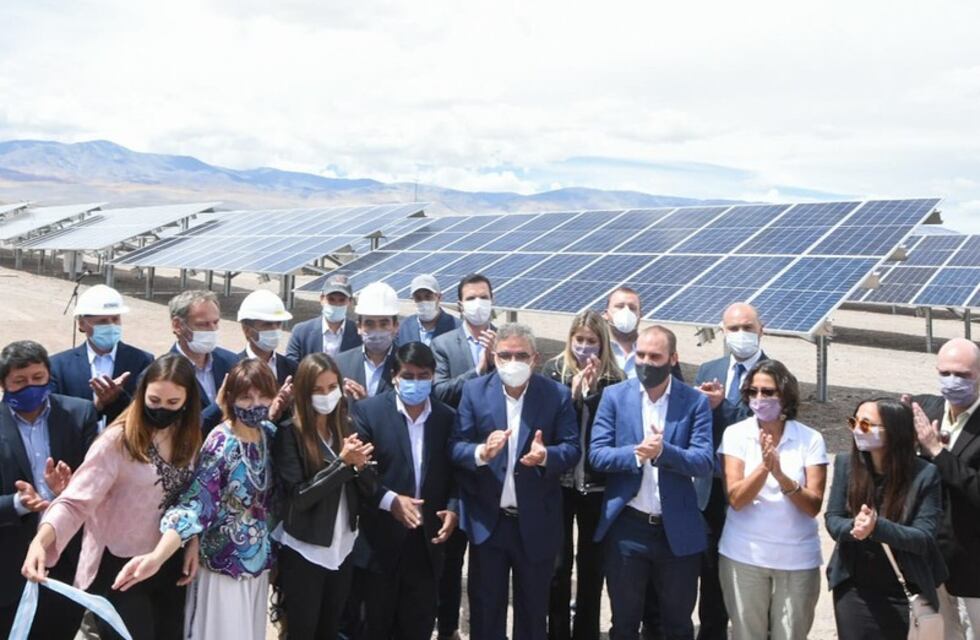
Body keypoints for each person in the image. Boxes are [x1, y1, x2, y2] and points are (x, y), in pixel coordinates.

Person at [20, 353, 200, 640]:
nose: (162, 410)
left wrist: (192, 540)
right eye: (154, 401)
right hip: (119, 566)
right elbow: (75, 501)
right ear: (141, 397)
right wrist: (41, 541)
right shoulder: (117, 441)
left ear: (187, 401)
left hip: (168, 560)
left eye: (172, 403)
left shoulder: (188, 437)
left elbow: (190, 498)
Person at [115, 359, 280, 640]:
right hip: (222, 567)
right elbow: (196, 505)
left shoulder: (268, 435)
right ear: (229, 398)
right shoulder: (221, 443)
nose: (256, 404)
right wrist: (158, 556)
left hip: (257, 567)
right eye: (245, 396)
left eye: (263, 395)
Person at [449, 323, 580, 640]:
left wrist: (546, 455)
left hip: (536, 522)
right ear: (493, 357)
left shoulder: (556, 396)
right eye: (505, 355)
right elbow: (456, 446)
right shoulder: (475, 392)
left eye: (521, 355)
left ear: (535, 358)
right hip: (489, 524)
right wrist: (482, 451)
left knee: (534, 613)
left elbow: (572, 448)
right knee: (485, 610)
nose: (512, 362)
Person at [590, 325, 713, 640]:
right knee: (625, 624)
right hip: (628, 529)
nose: (646, 362)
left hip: (677, 531)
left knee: (677, 625)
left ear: (673, 358)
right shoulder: (615, 397)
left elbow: (703, 461)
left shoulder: (694, 402)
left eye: (655, 356)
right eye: (641, 355)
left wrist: (663, 452)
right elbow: (598, 455)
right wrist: (635, 454)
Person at [352, 342, 459, 640]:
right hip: (380, 544)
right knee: (374, 626)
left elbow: (455, 473)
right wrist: (390, 501)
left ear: (433, 376)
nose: (415, 382)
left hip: (426, 546)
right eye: (408, 375)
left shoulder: (447, 418)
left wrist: (452, 508)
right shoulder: (368, 413)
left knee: (417, 627)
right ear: (394, 375)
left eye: (423, 375)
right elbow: (359, 472)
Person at [717, 359, 828, 640]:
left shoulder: (810, 439)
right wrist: (764, 468)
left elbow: (812, 505)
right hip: (744, 556)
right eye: (753, 392)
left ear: (785, 395)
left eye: (768, 392)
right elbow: (736, 498)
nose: (759, 398)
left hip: (797, 560)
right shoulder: (736, 434)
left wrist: (781, 476)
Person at [271, 352, 377, 640]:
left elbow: (369, 488)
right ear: (304, 393)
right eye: (317, 389)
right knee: (302, 630)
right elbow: (300, 497)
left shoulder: (347, 426)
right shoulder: (289, 434)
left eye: (332, 387)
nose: (326, 395)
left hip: (342, 547)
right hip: (306, 550)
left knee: (330, 629)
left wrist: (362, 467)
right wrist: (343, 465)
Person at [826, 397, 947, 639]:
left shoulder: (924, 474)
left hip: (905, 590)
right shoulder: (845, 464)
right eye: (854, 421)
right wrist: (854, 527)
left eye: (867, 424)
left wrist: (877, 528)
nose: (857, 429)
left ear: (894, 432)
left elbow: (924, 537)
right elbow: (832, 518)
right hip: (854, 587)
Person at [1, 340, 99, 639]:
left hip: (65, 555)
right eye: (20, 381)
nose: (30, 387)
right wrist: (18, 503)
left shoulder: (79, 413)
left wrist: (66, 492)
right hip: (9, 561)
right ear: (4, 383)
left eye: (38, 378)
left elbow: (94, 481)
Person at [541, 310, 625, 640]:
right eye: (580, 340)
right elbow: (547, 424)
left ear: (603, 343)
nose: (585, 347)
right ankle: (557, 632)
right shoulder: (553, 372)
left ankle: (586, 633)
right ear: (570, 340)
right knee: (559, 568)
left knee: (592, 568)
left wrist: (593, 394)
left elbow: (615, 429)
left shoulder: (615, 381)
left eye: (592, 341)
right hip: (559, 486)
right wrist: (571, 395)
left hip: (597, 486)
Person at [692, 302, 768, 640]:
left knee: (753, 582)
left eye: (747, 327)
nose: (741, 334)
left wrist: (724, 407)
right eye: (734, 328)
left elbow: (768, 428)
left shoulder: (775, 374)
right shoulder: (709, 368)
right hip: (710, 494)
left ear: (761, 329)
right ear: (722, 331)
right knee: (710, 584)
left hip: (753, 493)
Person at [431, 272, 497, 640]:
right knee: (451, 557)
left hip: (494, 464)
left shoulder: (508, 342)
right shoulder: (444, 344)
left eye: (483, 296)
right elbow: (439, 393)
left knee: (488, 560)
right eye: (471, 298)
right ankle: (448, 629)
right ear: (459, 304)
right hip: (454, 461)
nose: (478, 303)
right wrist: (479, 369)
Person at [908, 337, 980, 638]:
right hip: (932, 562)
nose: (953, 381)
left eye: (963, 375)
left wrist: (938, 453)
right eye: (946, 373)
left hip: (974, 565)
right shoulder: (929, 412)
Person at [50, 284, 154, 426]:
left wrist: (118, 398)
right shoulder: (59, 366)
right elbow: (56, 416)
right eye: (102, 322)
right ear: (82, 324)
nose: (111, 326)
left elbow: (147, 413)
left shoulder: (142, 361)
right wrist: (96, 407)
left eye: (115, 319)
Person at [168, 290, 238, 414]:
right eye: (203, 324)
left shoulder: (232, 363)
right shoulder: (163, 373)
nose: (212, 330)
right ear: (178, 325)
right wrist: (216, 407)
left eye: (215, 322)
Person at [334, 281, 400, 400]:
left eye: (384, 324)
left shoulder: (407, 365)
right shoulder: (340, 363)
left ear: (396, 326)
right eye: (369, 324)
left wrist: (367, 404)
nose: (377, 331)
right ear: (359, 327)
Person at [602, 287, 683, 381]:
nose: (626, 312)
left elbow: (677, 387)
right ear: (606, 314)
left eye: (632, 308)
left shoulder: (658, 349)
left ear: (640, 315)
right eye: (620, 306)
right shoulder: (596, 348)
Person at [287, 274, 362, 361]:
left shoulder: (359, 334)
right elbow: (291, 365)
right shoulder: (301, 332)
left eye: (342, 300)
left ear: (349, 302)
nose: (336, 305)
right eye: (331, 299)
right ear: (322, 299)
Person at [236, 289, 298, 387]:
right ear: (247, 330)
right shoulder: (233, 368)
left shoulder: (293, 369)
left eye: (278, 324)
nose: (275, 329)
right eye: (267, 324)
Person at [395, 275, 459, 348]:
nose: (423, 301)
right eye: (418, 298)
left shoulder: (457, 327)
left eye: (428, 296)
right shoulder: (403, 327)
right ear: (412, 300)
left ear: (439, 297)